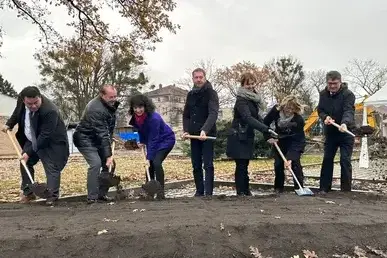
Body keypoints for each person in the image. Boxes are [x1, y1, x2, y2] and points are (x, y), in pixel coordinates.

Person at [1, 86, 69, 205]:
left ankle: (51, 196)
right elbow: (17, 112)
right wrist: (9, 124)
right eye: (29, 104)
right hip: (31, 137)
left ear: (40, 97)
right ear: (24, 100)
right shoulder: (22, 100)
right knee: (25, 162)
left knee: (52, 167)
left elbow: (44, 136)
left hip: (51, 141)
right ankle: (29, 193)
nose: (33, 106)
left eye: (36, 102)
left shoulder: (50, 111)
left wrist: (29, 152)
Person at [73, 84, 120, 203]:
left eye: (115, 96)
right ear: (102, 95)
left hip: (97, 138)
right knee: (96, 163)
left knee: (110, 165)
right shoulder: (96, 109)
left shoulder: (109, 105)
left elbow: (107, 127)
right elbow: (102, 132)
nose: (114, 99)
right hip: (84, 138)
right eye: (111, 97)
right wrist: (108, 155)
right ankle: (92, 197)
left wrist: (111, 136)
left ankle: (102, 194)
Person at [226, 73, 270, 196]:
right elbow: (247, 117)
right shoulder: (241, 100)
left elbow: (257, 117)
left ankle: (246, 190)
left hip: (246, 135)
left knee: (245, 164)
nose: (251, 86)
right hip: (238, 136)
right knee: (241, 165)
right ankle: (241, 192)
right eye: (248, 84)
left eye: (252, 83)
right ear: (243, 85)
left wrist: (268, 131)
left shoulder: (253, 100)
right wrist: (265, 129)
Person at [128, 94, 176, 200]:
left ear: (145, 106)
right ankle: (149, 192)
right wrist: (140, 141)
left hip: (165, 140)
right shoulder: (136, 118)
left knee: (156, 162)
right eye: (135, 108)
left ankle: (160, 192)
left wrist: (149, 158)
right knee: (148, 166)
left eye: (140, 107)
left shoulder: (154, 118)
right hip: (152, 141)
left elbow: (153, 139)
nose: (138, 110)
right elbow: (138, 130)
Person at [182, 68, 219, 197]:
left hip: (207, 134)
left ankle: (208, 193)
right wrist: (186, 130)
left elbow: (213, 113)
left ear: (205, 77)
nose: (198, 79)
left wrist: (205, 129)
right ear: (193, 79)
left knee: (208, 164)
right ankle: (199, 191)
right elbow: (186, 115)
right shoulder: (190, 94)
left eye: (200, 77)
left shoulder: (211, 93)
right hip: (194, 134)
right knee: (196, 164)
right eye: (196, 77)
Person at [317, 71, 356, 194]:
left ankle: (345, 190)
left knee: (345, 160)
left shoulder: (348, 94)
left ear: (340, 81)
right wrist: (325, 118)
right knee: (327, 158)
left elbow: (348, 110)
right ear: (327, 82)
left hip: (346, 131)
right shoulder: (323, 94)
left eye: (335, 83)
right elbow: (320, 110)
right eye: (330, 83)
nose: (332, 86)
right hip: (331, 132)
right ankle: (324, 188)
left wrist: (344, 123)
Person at [264, 95, 306, 193]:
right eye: (288, 107)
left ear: (296, 109)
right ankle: (278, 188)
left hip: (294, 142)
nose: (289, 110)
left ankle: (299, 188)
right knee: (278, 164)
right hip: (279, 141)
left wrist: (290, 157)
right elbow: (265, 123)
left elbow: (298, 140)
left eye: (292, 108)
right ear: (283, 106)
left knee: (295, 165)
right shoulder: (275, 111)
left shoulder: (298, 120)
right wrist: (268, 137)